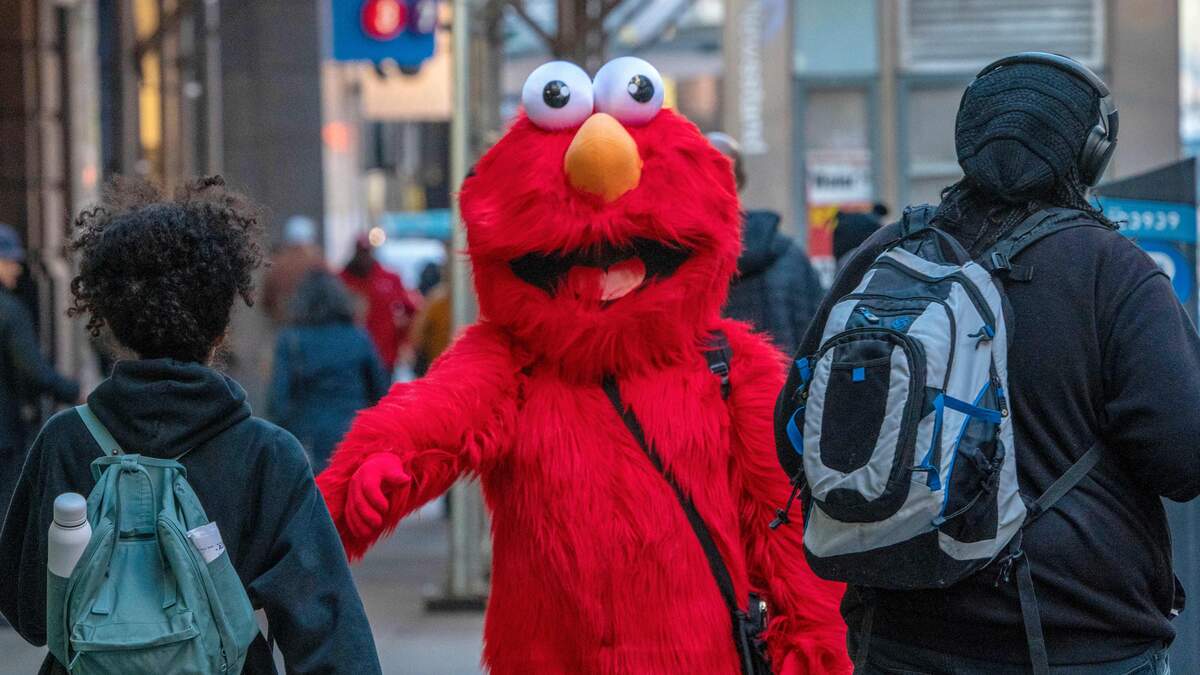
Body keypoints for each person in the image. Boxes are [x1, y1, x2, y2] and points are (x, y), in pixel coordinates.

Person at [777, 53, 1195, 673]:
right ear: (1088, 155)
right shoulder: (1114, 270)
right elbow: (1184, 455)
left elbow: (794, 435)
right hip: (1078, 638)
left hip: (899, 637)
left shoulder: (885, 254)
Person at [0, 177, 382, 674]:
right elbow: (329, 633)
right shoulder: (268, 455)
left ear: (109, 322)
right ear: (222, 327)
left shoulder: (65, 439)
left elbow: (29, 612)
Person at [708, 132, 825, 355]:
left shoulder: (672, 259)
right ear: (740, 181)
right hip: (780, 386)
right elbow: (816, 337)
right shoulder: (789, 256)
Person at [267, 269, 390, 473]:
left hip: (307, 443)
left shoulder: (290, 340)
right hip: (354, 436)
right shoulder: (358, 337)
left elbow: (279, 400)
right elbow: (380, 391)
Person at [0, 223, 79, 515]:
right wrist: (75, 391)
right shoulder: (10, 310)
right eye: (8, 261)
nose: (16, 269)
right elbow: (34, 371)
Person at [339, 234, 416, 374]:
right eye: (361, 252)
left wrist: (403, 340)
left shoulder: (389, 278)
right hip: (350, 357)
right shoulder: (341, 281)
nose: (363, 258)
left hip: (383, 354)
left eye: (366, 252)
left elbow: (411, 309)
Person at [260, 215, 325, 325]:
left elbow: (266, 301)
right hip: (314, 327)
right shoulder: (318, 263)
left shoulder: (277, 263)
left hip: (284, 326)